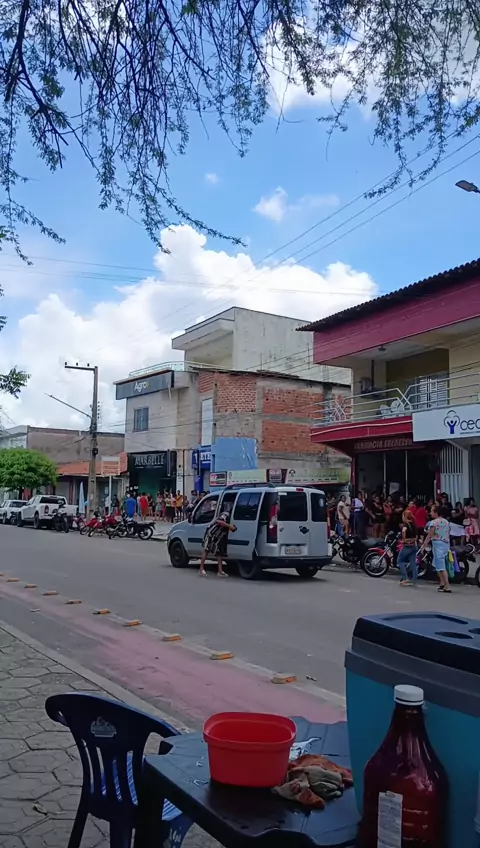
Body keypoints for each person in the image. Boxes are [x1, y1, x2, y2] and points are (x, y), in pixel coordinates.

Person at [421, 503, 451, 593]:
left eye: (431, 511)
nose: (430, 513)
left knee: (441, 566)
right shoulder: (446, 522)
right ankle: (442, 583)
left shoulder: (433, 522)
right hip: (445, 544)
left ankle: (447, 585)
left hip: (438, 544)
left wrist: (424, 545)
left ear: (436, 512)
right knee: (438, 564)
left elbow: (430, 534)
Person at [199, 511, 237, 577]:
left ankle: (220, 571)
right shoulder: (226, 514)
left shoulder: (231, 518)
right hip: (211, 534)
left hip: (218, 536)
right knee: (206, 550)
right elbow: (219, 521)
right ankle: (201, 569)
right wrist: (229, 526)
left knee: (219, 552)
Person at [397, 509, 418, 586]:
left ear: (405, 517)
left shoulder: (405, 525)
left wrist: (404, 539)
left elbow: (403, 531)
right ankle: (414, 579)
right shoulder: (414, 525)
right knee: (413, 563)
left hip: (407, 547)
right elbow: (416, 536)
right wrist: (412, 540)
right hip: (414, 546)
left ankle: (405, 578)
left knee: (400, 561)